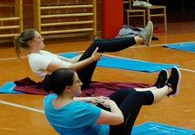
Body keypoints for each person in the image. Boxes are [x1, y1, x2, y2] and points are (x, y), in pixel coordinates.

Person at [43, 66, 180, 135]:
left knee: (121, 93)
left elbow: (71, 101)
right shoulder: (81, 110)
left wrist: (90, 99)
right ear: (68, 88)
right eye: (77, 81)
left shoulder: (49, 100)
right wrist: (112, 104)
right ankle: (170, 88)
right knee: (136, 97)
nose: (81, 83)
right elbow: (119, 119)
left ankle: (156, 88)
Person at [15, 22, 154, 88]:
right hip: (72, 82)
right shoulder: (36, 59)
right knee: (98, 44)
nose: (43, 39)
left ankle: (139, 39)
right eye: (39, 38)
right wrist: (91, 58)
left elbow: (71, 61)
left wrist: (89, 53)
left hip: (73, 76)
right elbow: (70, 69)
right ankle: (139, 39)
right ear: (31, 42)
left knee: (98, 44)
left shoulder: (42, 53)